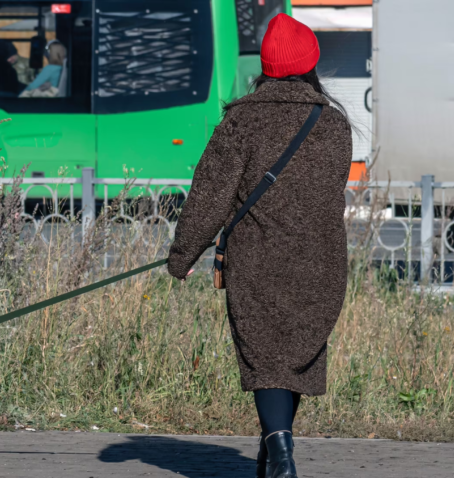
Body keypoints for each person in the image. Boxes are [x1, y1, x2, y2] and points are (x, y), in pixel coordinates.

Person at [166, 14, 353, 478]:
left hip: (258, 260)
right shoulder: (333, 125)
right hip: (322, 262)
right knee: (295, 356)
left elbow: (210, 194)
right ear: (311, 63)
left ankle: (281, 451)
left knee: (268, 360)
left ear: (265, 67)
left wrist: (183, 255)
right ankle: (275, 451)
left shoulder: (242, 121)